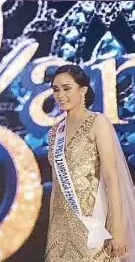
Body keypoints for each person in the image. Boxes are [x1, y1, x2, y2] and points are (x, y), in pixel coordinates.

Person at [45, 64, 135, 262]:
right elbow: (56, 188)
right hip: (61, 232)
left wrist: (118, 228)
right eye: (56, 89)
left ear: (83, 90)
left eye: (67, 88)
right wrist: (52, 232)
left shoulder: (97, 122)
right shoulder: (55, 133)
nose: (60, 95)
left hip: (94, 224)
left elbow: (112, 177)